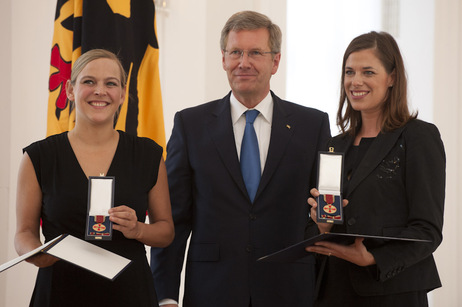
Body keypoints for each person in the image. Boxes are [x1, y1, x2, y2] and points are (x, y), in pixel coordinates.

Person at [150, 10, 330, 307]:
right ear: (223, 59)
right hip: (212, 291)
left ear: (275, 62)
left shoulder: (312, 125)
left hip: (290, 291)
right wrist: (165, 295)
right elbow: (174, 218)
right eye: (235, 52)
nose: (243, 62)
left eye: (255, 53)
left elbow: (321, 218)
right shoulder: (190, 125)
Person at [14, 49, 174, 307]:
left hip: (130, 293)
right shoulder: (38, 157)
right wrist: (37, 253)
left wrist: (138, 229)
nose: (100, 91)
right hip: (59, 291)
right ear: (69, 90)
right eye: (89, 82)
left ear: (122, 94)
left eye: (110, 83)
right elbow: (24, 232)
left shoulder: (148, 155)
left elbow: (166, 231)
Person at [305, 31, 445, 307]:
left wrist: (372, 257)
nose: (355, 81)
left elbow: (427, 230)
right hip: (333, 291)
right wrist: (321, 226)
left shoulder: (418, 138)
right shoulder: (334, 145)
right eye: (349, 72)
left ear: (392, 77)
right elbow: (317, 226)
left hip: (391, 292)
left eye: (368, 72)